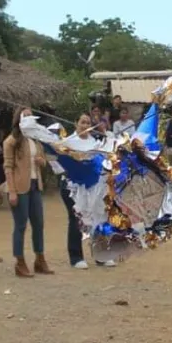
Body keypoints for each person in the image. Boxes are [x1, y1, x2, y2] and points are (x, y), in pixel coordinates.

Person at [3, 107, 52, 278]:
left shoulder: (35, 140)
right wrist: (12, 191)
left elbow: (43, 161)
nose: (30, 118)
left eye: (32, 115)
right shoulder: (11, 141)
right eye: (26, 116)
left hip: (34, 184)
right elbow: (8, 167)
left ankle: (40, 258)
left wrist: (42, 161)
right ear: (19, 119)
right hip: (19, 186)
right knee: (21, 225)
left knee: (38, 223)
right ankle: (20, 262)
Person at [58, 113, 96, 270]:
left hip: (91, 187)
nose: (85, 125)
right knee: (76, 219)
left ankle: (101, 254)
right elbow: (58, 165)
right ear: (76, 124)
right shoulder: (68, 143)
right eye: (82, 122)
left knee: (96, 218)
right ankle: (76, 257)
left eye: (88, 123)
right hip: (71, 187)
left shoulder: (95, 142)